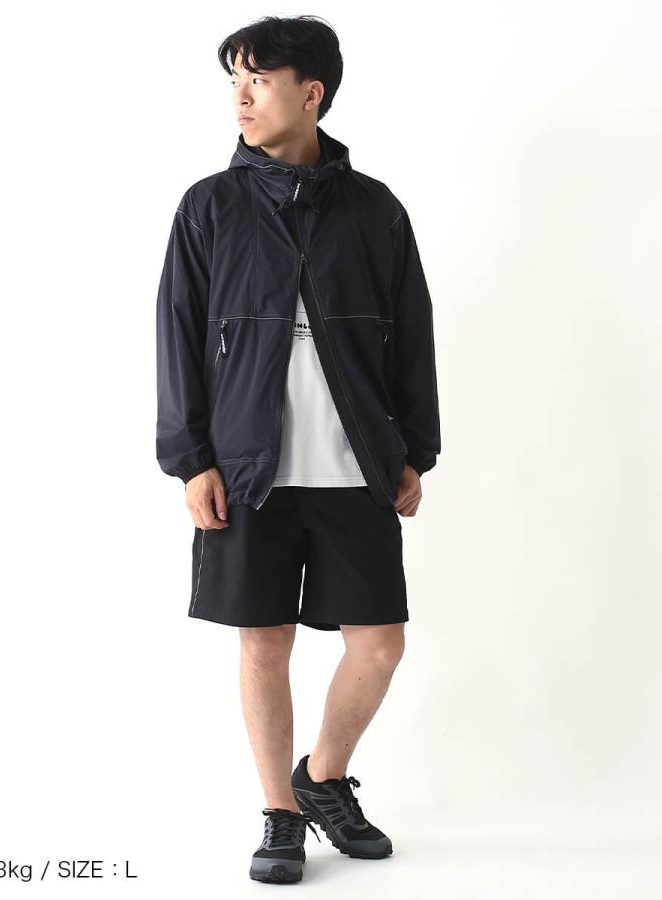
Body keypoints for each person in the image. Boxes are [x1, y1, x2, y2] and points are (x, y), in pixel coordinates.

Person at [155, 14, 440, 885]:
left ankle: (322, 776)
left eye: (260, 79)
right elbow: (177, 338)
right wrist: (191, 458)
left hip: (356, 466)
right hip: (249, 469)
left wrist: (414, 450)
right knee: (264, 643)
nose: (241, 97)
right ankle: (280, 813)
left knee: (379, 645)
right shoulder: (210, 206)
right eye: (234, 82)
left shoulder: (375, 209)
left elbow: (413, 335)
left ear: (310, 93)